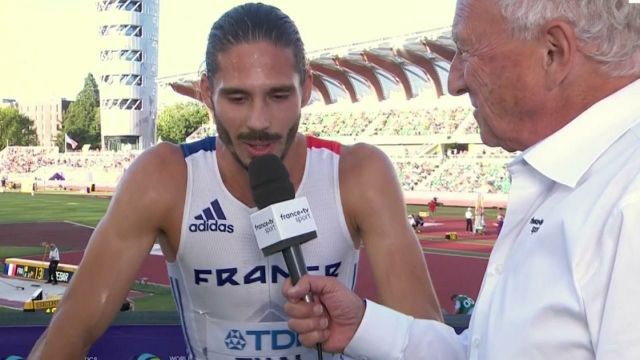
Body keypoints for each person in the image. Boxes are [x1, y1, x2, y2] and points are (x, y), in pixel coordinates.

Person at [28, 3, 441, 359]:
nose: (259, 122)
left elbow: (427, 340)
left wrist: (364, 324)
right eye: (237, 98)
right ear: (207, 93)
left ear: (308, 88)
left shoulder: (358, 174)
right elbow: (69, 333)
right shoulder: (166, 179)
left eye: (279, 96)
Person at [282, 0, 640, 358]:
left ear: (553, 52)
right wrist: (361, 324)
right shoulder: (574, 176)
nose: (453, 81)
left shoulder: (629, 199)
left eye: (467, 51)